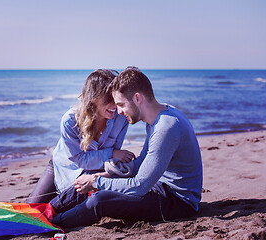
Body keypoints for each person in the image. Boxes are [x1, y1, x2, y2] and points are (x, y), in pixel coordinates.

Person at [51, 67, 203, 227]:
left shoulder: (166, 127)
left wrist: (96, 181)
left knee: (100, 200)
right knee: (93, 179)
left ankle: (52, 223)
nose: (119, 112)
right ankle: (49, 209)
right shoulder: (157, 119)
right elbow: (142, 163)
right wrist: (104, 175)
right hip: (159, 186)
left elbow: (140, 186)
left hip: (177, 201)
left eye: (121, 105)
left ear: (137, 98)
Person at [26, 69, 135, 203]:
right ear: (94, 97)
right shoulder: (70, 120)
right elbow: (81, 159)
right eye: (109, 98)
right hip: (64, 166)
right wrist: (111, 153)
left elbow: (110, 159)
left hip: (94, 171)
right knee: (32, 206)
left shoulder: (121, 118)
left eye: (116, 97)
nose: (115, 104)